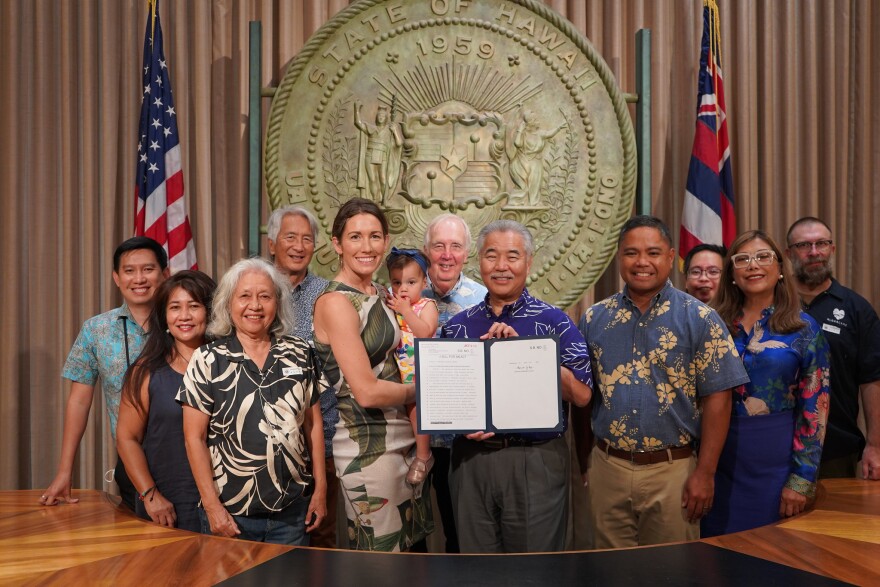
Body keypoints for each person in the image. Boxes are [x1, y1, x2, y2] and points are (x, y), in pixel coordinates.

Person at [579, 215, 749, 548]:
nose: (641, 262)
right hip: (607, 468)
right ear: (619, 257)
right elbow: (585, 396)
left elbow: (719, 399)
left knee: (671, 572)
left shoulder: (700, 318)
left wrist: (705, 473)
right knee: (612, 574)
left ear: (671, 257)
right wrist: (585, 460)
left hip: (673, 471)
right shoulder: (594, 318)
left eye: (653, 253)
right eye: (631, 253)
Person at [442, 219, 592, 553]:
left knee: (532, 571)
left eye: (512, 256)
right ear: (478, 262)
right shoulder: (457, 327)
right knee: (477, 568)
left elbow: (582, 395)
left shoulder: (555, 321)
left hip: (534, 459)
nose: (501, 266)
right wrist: (460, 423)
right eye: (491, 256)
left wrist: (528, 351)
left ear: (528, 262)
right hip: (471, 459)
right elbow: (447, 396)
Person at [312, 197, 433, 552]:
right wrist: (425, 390)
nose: (367, 247)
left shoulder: (382, 292)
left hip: (406, 443)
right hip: (368, 448)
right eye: (355, 237)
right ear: (337, 244)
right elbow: (365, 392)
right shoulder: (335, 303)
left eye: (375, 236)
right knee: (382, 565)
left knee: (411, 560)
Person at [178, 258, 326, 545]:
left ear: (278, 303)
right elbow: (192, 438)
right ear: (228, 303)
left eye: (265, 296)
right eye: (244, 296)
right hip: (231, 516)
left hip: (293, 514)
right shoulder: (208, 359)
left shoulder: (299, 352)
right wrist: (212, 508)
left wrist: (320, 490)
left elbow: (314, 425)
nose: (255, 306)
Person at [702, 231, 830, 537]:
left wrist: (801, 480)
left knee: (772, 557)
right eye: (742, 259)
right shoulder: (712, 324)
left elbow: (817, 410)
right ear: (732, 274)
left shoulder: (804, 328)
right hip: (716, 460)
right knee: (716, 557)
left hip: (776, 461)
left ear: (781, 268)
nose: (753, 265)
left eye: (763, 257)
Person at [41, 237, 169, 509]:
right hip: (131, 460)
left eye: (148, 269)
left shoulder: (185, 323)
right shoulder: (95, 330)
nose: (139, 278)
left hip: (187, 458)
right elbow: (79, 401)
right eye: (129, 271)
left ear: (165, 273)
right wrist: (65, 470)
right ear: (116, 277)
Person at [116, 270, 216, 532]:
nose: (184, 316)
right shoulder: (146, 371)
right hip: (167, 504)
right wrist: (150, 496)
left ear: (210, 312)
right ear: (164, 316)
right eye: (175, 308)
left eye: (194, 306)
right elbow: (127, 439)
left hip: (225, 500)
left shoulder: (229, 366)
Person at [786, 217, 880, 480]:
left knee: (832, 521)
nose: (814, 252)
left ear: (832, 249)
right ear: (788, 253)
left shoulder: (856, 309)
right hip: (774, 445)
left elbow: (872, 380)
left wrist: (875, 445)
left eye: (822, 244)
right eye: (804, 245)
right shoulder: (773, 304)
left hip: (836, 450)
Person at [267, 205, 338, 548]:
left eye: (306, 238)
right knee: (270, 540)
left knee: (321, 533)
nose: (298, 245)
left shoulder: (330, 294)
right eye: (290, 236)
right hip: (263, 442)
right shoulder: (251, 289)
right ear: (272, 243)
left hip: (322, 437)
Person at [421, 213, 487, 553]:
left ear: (468, 252)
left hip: (465, 440)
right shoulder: (402, 296)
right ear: (425, 250)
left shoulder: (485, 299)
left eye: (456, 246)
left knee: (460, 536)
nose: (447, 255)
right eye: (439, 246)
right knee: (411, 534)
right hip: (411, 437)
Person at [385, 248, 440, 485]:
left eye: (411, 282)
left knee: (418, 414)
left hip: (420, 371)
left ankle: (423, 456)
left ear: (424, 281)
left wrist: (406, 311)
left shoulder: (426, 305)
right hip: (398, 372)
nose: (403, 288)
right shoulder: (393, 303)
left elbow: (425, 333)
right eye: (396, 282)